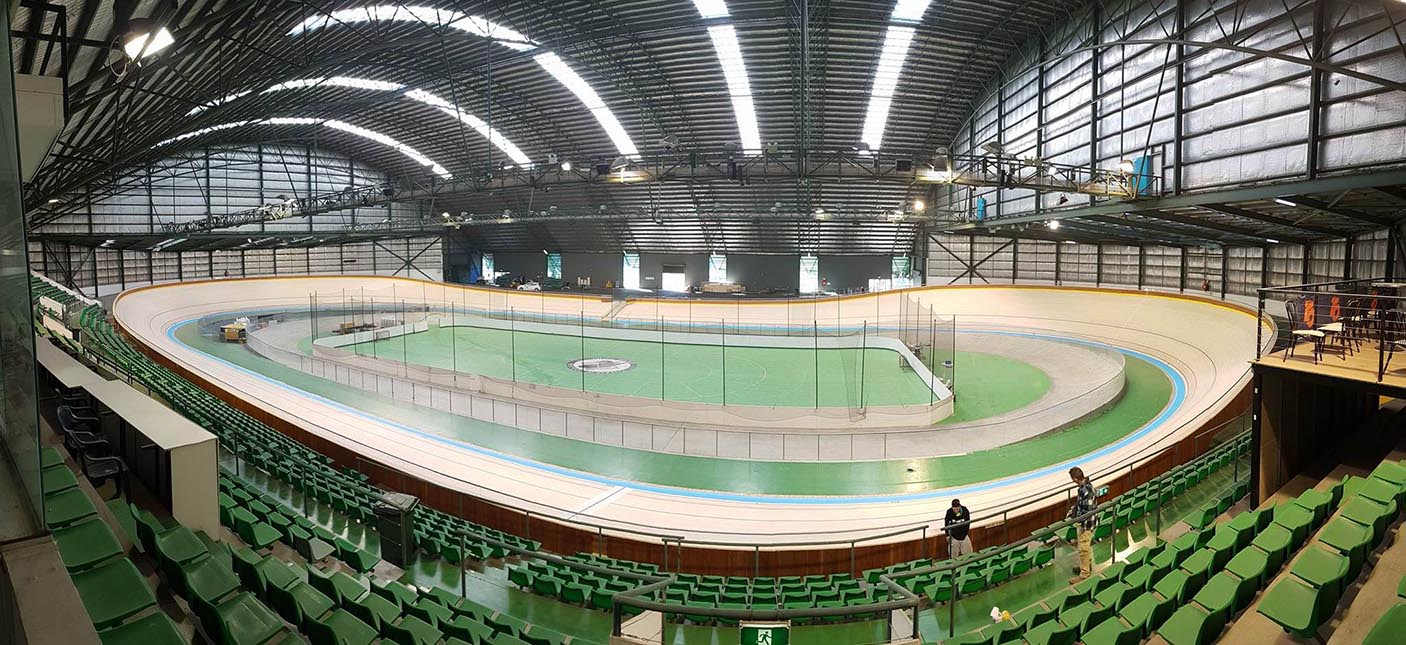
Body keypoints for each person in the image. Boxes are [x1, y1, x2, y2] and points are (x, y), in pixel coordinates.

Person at [1066, 466, 1097, 584]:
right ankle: (1086, 566)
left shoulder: (1086, 490)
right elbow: (1082, 504)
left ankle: (1084, 574)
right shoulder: (1083, 487)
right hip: (1084, 523)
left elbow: (1088, 511)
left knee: (1083, 549)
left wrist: (1077, 516)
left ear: (1075, 479)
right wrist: (1074, 510)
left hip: (1087, 524)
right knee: (1085, 547)